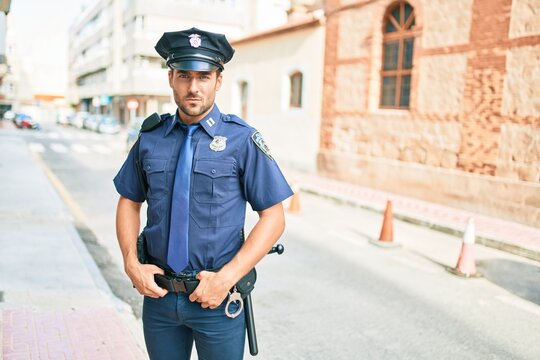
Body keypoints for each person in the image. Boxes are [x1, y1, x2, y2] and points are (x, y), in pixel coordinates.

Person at [113, 27, 293, 360]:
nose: (193, 87)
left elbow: (274, 217)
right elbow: (129, 200)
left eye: (204, 76)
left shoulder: (242, 140)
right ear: (171, 78)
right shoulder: (151, 138)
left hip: (217, 300)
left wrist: (226, 278)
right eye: (184, 75)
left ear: (218, 80)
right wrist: (131, 263)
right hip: (159, 298)